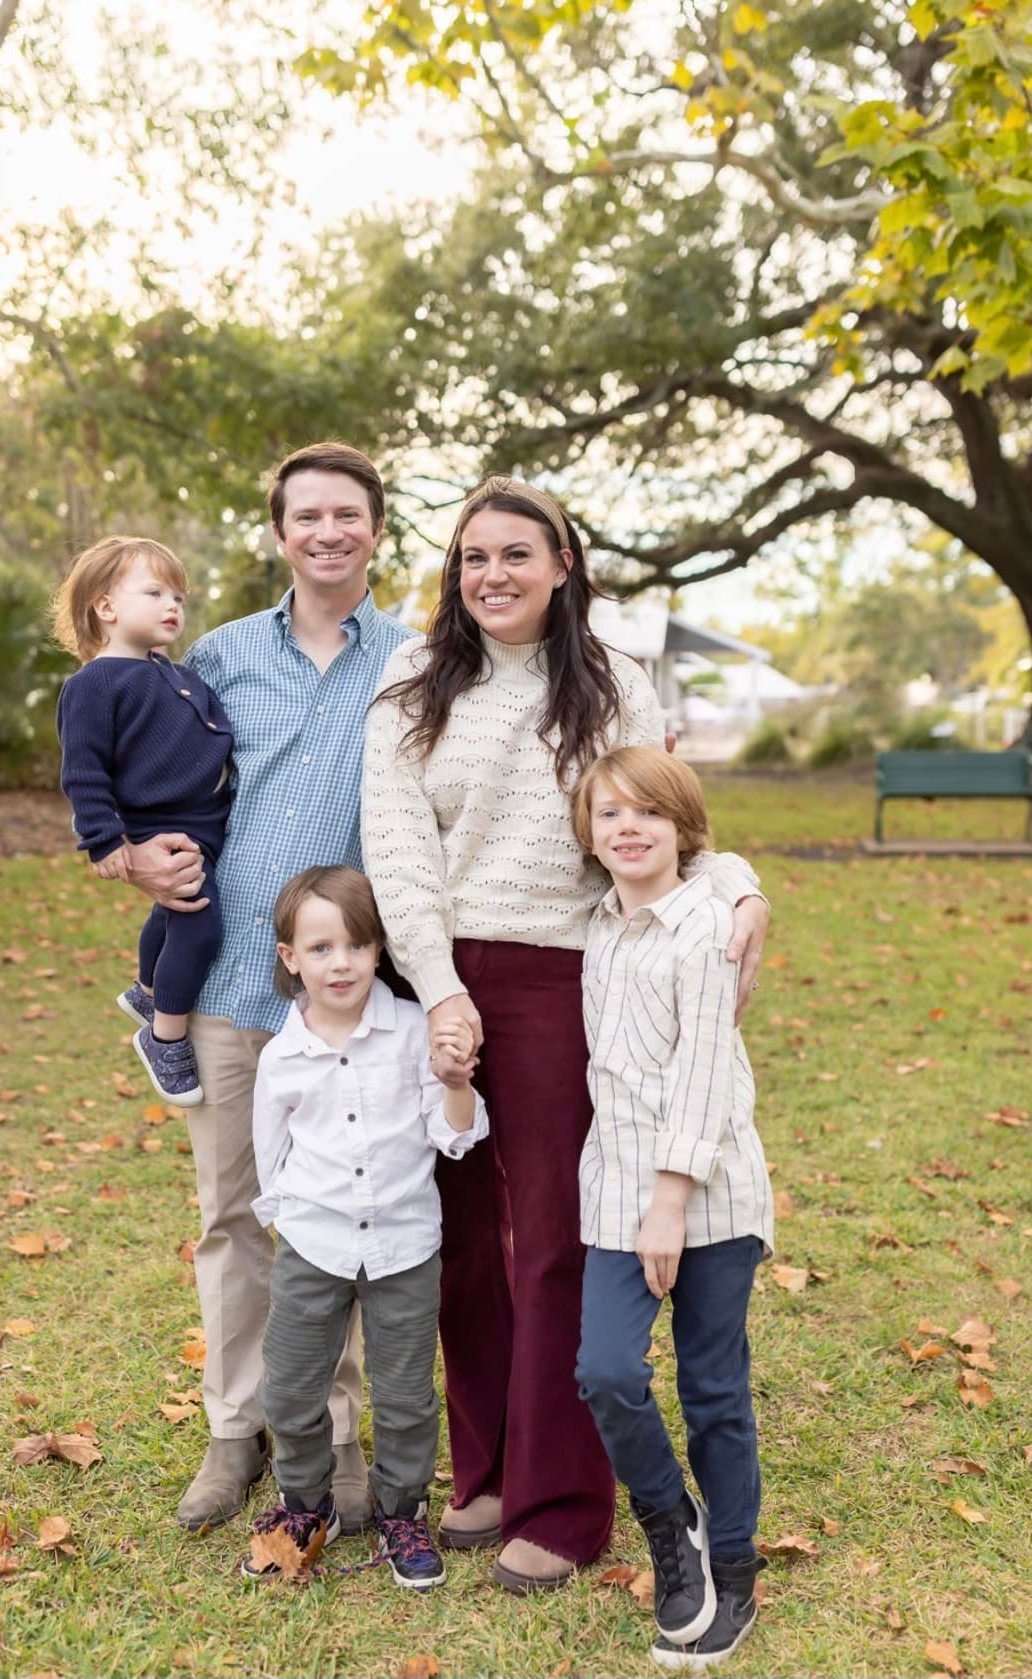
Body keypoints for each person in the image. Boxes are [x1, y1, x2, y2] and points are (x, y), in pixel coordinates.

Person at [361, 476, 769, 1593]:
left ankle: (561, 1499)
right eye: (472, 556)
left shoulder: (611, 681)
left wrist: (737, 885)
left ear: (563, 563)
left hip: (567, 973)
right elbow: (395, 847)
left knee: (550, 1235)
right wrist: (439, 988)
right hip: (430, 970)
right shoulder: (411, 680)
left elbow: (667, 819)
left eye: (516, 553)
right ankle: (486, 1468)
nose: (491, 573)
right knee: (449, 1241)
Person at [120, 444, 415, 1533]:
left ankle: (331, 1433)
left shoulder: (417, 659)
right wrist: (132, 851)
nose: (328, 531)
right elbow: (144, 772)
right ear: (281, 532)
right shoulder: (222, 653)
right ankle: (235, 1427)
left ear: (376, 529)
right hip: (231, 976)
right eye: (308, 516)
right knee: (230, 1213)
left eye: (348, 513)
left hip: (345, 993)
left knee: (334, 1213)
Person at [571, 747, 773, 1670]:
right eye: (608, 813)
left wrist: (671, 1203)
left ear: (681, 826)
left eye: (647, 811)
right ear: (588, 832)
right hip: (615, 1187)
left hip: (709, 1194)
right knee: (608, 1369)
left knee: (712, 1389)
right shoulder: (599, 927)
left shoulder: (710, 930)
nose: (627, 827)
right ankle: (670, 1519)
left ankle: (733, 1567)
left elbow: (701, 1079)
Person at [239, 865, 486, 1590]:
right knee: (288, 1389)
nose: (339, 962)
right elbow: (270, 1157)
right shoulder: (282, 1056)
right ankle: (307, 1505)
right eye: (320, 948)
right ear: (290, 958)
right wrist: (297, 1217)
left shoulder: (414, 1032)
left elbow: (456, 1138)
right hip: (314, 1247)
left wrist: (456, 1083)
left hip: (405, 1247)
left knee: (405, 1392)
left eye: (354, 944)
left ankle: (401, 1509)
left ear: (379, 950)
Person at [53, 535, 233, 1107]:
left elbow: (208, 729)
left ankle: (150, 988)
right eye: (154, 592)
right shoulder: (93, 684)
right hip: (160, 823)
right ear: (106, 607)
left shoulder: (173, 672)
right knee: (198, 921)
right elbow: (83, 771)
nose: (172, 605)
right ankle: (165, 1036)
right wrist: (106, 840)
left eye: (178, 595)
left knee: (173, 910)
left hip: (206, 815)